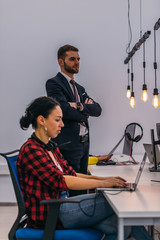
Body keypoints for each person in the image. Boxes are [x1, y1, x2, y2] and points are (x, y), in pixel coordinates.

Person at [17, 96, 153, 240]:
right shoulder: (31, 149)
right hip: (52, 212)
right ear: (41, 120)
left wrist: (106, 179)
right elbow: (62, 181)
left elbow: (72, 174)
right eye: (57, 120)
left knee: (123, 226)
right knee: (118, 200)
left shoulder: (50, 147)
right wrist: (104, 183)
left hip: (62, 206)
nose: (62, 124)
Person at [46, 44, 102, 177]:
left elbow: (98, 109)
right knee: (73, 186)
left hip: (84, 144)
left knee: (83, 184)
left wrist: (79, 106)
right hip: (68, 145)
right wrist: (85, 113)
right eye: (72, 59)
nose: (77, 62)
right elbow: (63, 110)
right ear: (61, 62)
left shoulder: (80, 89)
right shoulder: (54, 83)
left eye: (78, 59)